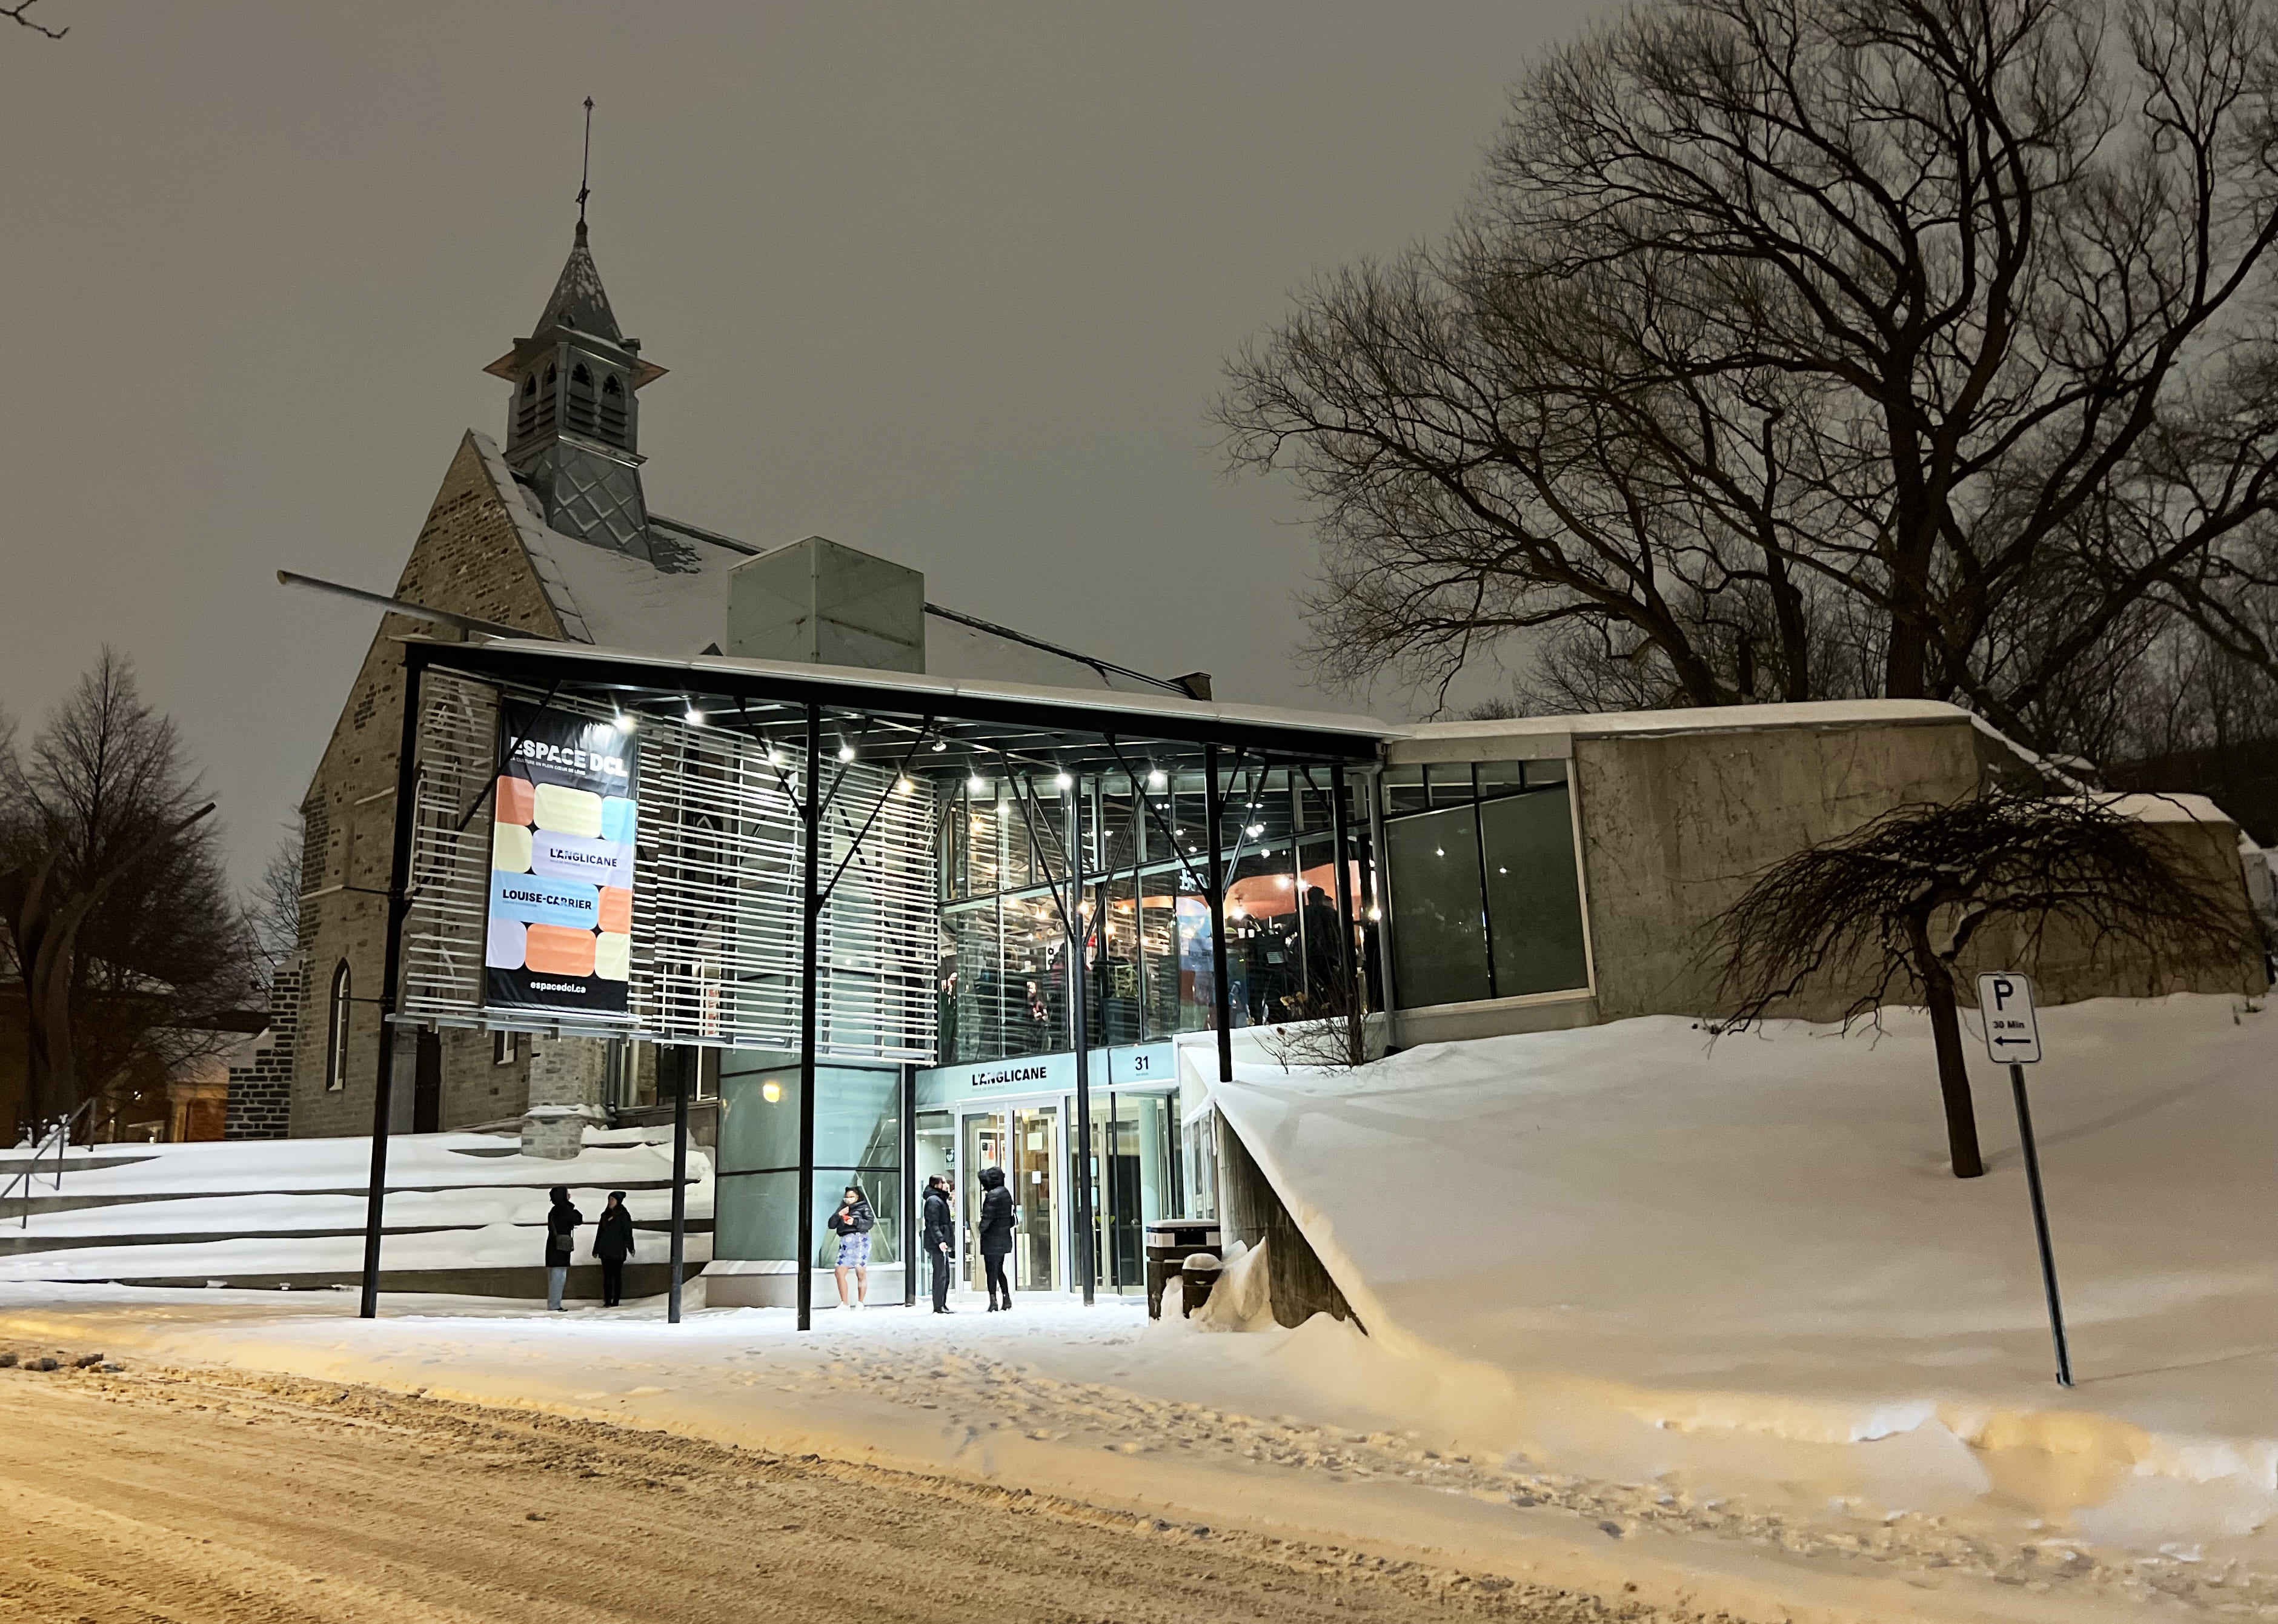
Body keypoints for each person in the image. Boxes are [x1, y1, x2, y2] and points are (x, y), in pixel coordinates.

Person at [827, 1183, 875, 1310]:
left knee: (860, 1271)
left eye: (852, 1197)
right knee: (839, 1271)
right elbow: (831, 1224)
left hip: (860, 1240)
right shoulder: (842, 1208)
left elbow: (870, 1223)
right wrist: (839, 1215)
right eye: (847, 1197)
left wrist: (855, 1222)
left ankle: (860, 1302)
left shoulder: (864, 1207)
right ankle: (845, 1303)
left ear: (858, 1197)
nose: (849, 1199)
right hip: (845, 1242)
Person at [976, 1165, 1015, 1312]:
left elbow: (987, 1218)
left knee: (991, 1271)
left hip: (991, 1240)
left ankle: (993, 1301)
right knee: (999, 1269)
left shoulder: (992, 1196)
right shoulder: (1006, 1193)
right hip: (1004, 1238)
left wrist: (981, 1228)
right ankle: (1007, 1298)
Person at [593, 1190, 636, 1308]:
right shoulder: (605, 1215)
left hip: (617, 1251)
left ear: (618, 1201)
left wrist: (630, 1247)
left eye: (613, 1199)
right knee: (607, 1277)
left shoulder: (623, 1215)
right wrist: (596, 1249)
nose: (610, 1202)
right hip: (605, 1251)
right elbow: (600, 1233)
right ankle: (607, 1301)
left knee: (616, 1276)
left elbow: (628, 1233)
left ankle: (615, 1300)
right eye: (609, 1199)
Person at [543, 1185, 582, 1311]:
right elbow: (577, 1219)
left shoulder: (554, 1210)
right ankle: (555, 1305)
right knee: (559, 1278)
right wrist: (570, 1205)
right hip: (560, 1249)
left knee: (553, 1278)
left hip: (552, 1247)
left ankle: (552, 1303)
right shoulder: (565, 1209)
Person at [921, 1175, 954, 1313]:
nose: (947, 1185)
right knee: (940, 1275)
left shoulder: (939, 1199)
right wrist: (940, 1240)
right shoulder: (934, 1201)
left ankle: (942, 1304)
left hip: (941, 1242)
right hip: (937, 1244)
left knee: (945, 1274)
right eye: (944, 1182)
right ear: (937, 1185)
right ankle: (938, 1305)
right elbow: (933, 1224)